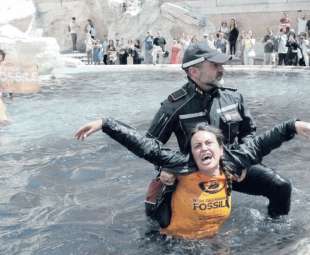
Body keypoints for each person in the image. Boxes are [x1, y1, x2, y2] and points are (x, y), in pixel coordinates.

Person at [75, 117, 310, 239]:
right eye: (197, 146)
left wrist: (293, 126)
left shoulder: (233, 162)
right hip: (173, 243)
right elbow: (145, 146)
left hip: (212, 238)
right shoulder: (182, 165)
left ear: (220, 148)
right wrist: (105, 124)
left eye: (209, 143)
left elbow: (263, 141)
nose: (203, 149)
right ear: (191, 153)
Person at [145, 42, 293, 225]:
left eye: (221, 65)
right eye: (215, 65)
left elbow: (248, 132)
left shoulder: (233, 97)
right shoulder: (174, 105)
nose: (221, 69)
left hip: (232, 168)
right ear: (194, 72)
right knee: (161, 219)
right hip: (190, 171)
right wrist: (166, 169)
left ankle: (275, 231)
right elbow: (150, 145)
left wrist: (244, 163)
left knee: (281, 186)